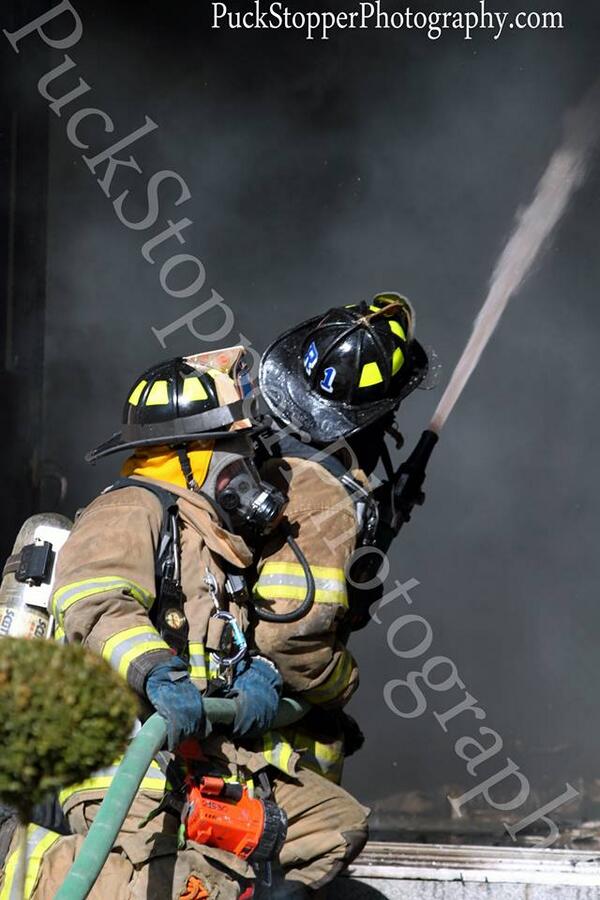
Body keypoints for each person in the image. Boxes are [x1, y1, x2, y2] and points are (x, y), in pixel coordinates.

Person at [0, 349, 367, 900]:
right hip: (131, 765)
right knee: (195, 887)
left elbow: (222, 638)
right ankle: (24, 864)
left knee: (332, 827)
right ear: (185, 456)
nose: (246, 468)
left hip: (208, 758)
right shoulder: (132, 507)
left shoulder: (212, 539)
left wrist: (254, 677)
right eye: (231, 452)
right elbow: (93, 600)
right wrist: (156, 674)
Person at [250, 293, 431, 785]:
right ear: (376, 414)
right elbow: (284, 637)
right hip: (265, 752)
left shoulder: (277, 453)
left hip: (256, 729)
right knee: (335, 823)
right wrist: (340, 684)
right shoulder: (324, 498)